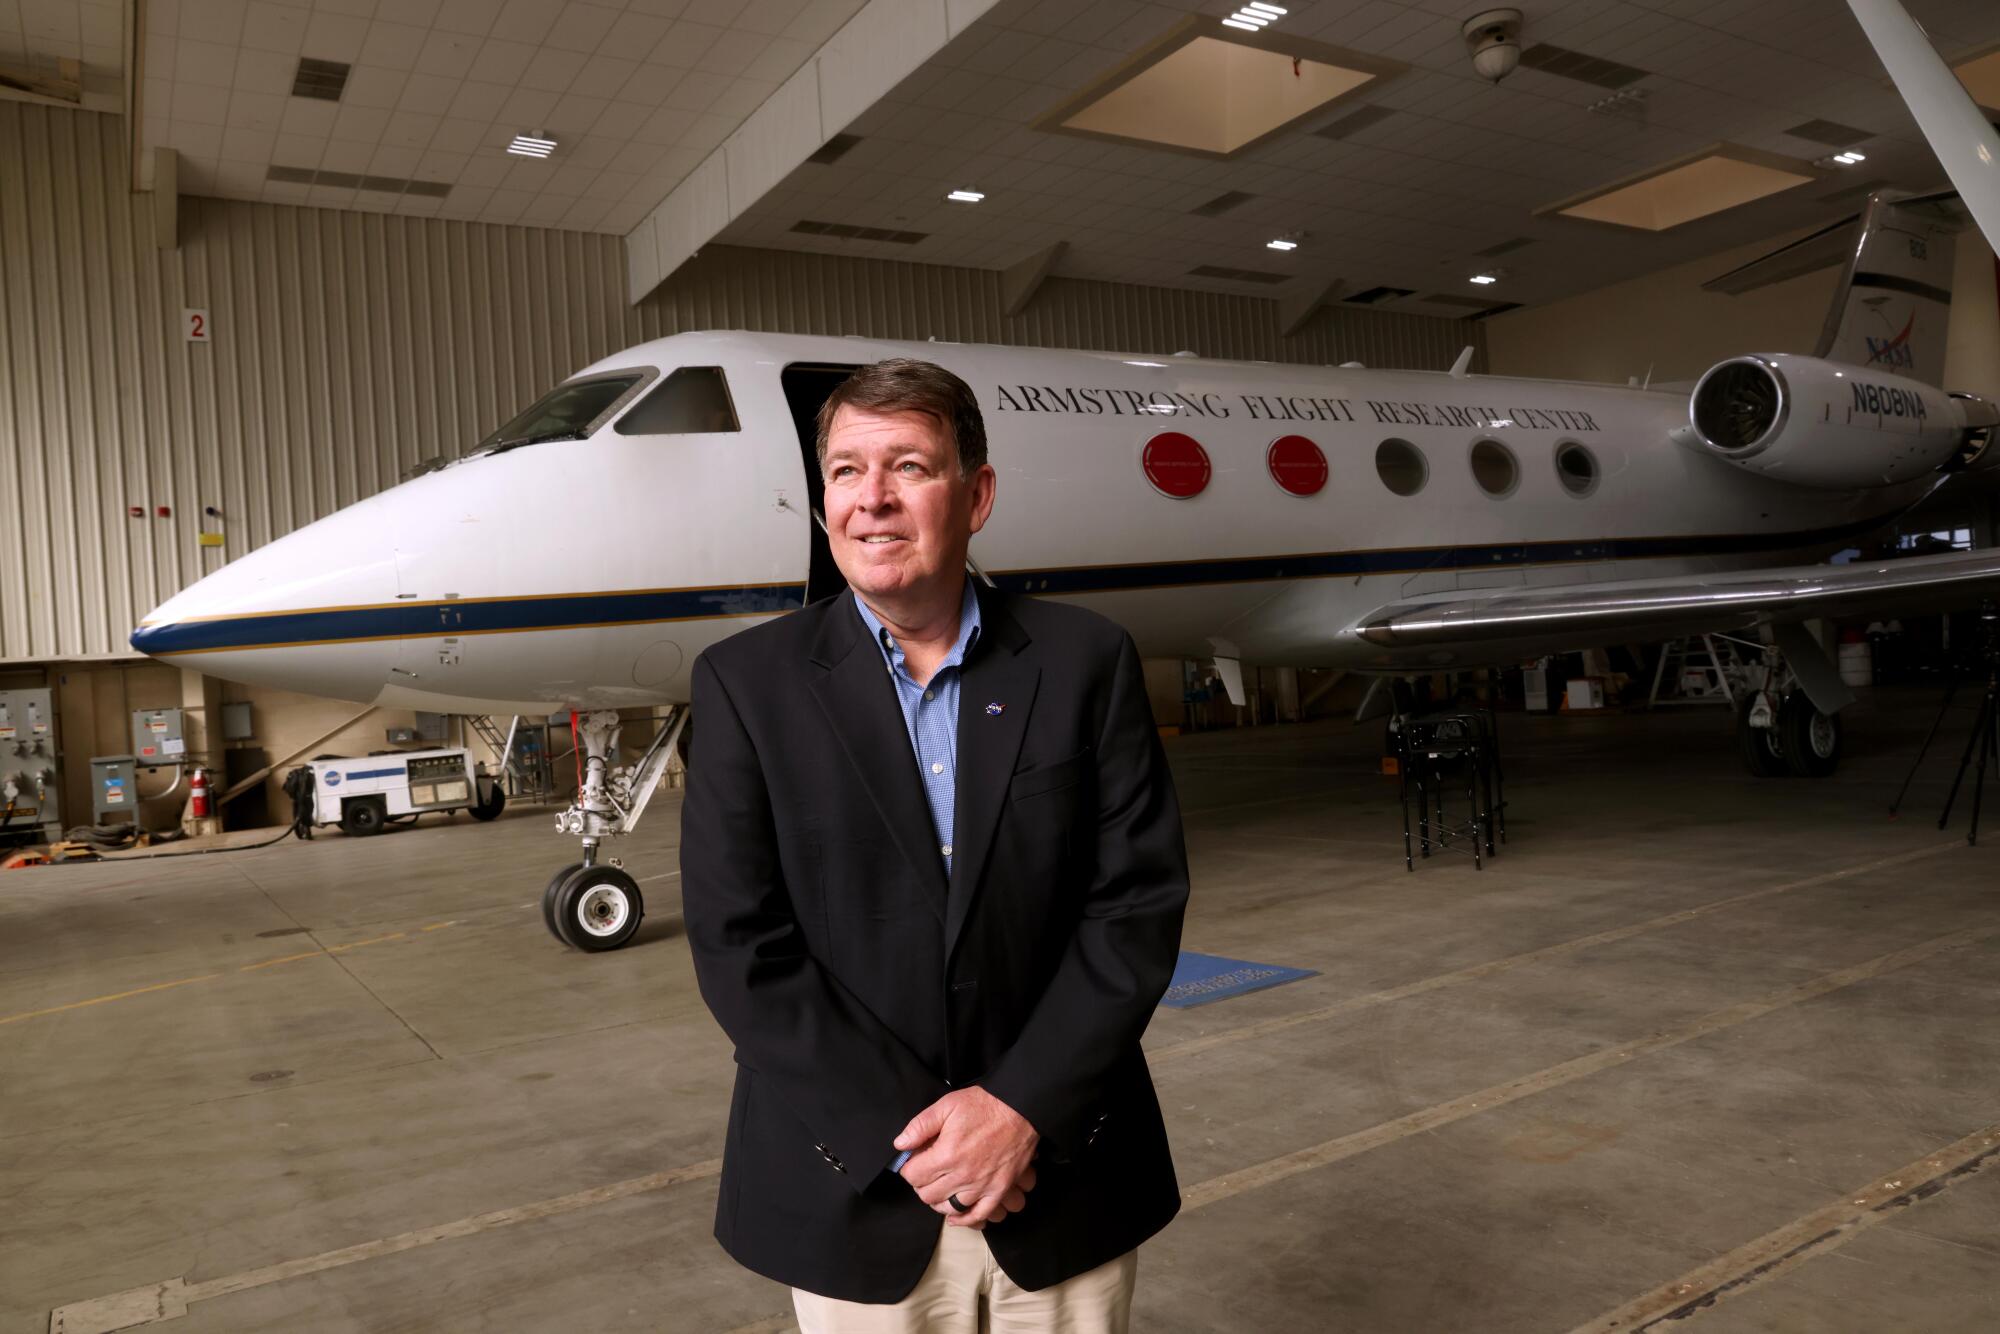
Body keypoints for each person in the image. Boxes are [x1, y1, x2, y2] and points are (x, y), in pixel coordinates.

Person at [680, 357, 1191, 1332]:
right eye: (843, 470)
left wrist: (1016, 1110)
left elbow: (1131, 908)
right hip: (857, 1187)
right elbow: (741, 944)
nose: (870, 498)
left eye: (907, 465)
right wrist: (920, 1142)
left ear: (976, 493)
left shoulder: (1085, 662)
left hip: (1060, 1175)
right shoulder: (747, 686)